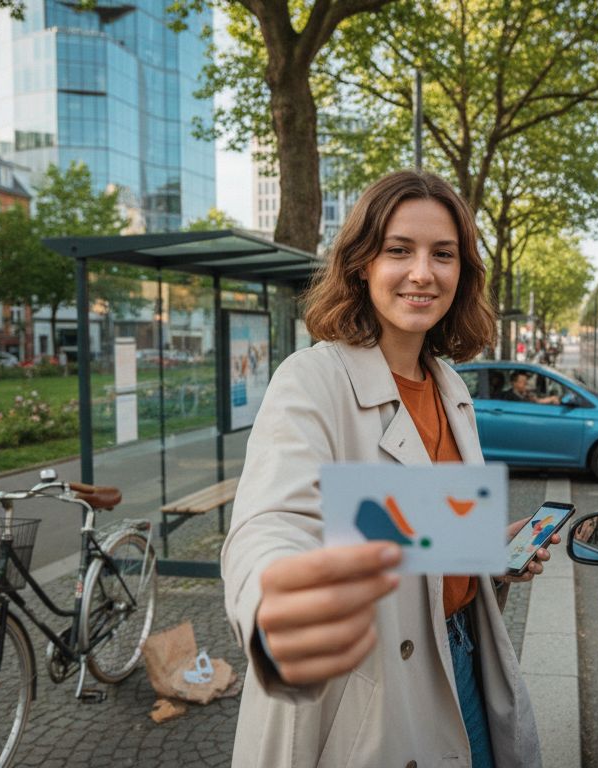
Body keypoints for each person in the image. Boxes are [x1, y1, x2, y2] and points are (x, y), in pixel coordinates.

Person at [221, 170, 549, 768]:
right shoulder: (312, 378)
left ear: (463, 273)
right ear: (361, 264)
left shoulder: (449, 386)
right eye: (399, 250)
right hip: (371, 692)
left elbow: (389, 522)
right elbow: (271, 521)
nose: (422, 272)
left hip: (463, 655)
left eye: (443, 254)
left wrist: (482, 546)